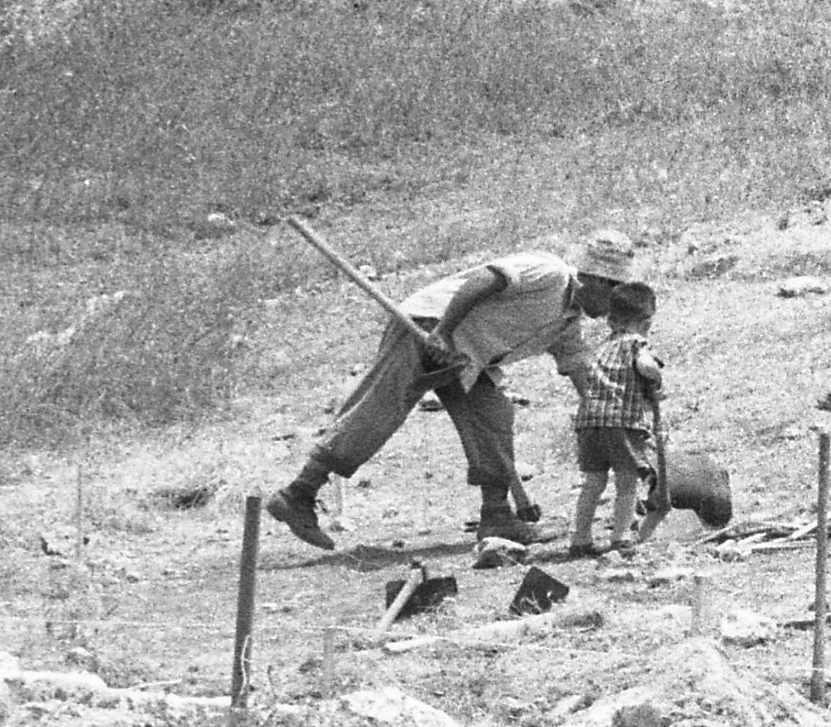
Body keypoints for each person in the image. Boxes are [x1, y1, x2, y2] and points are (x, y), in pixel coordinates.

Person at [267, 233, 652, 552]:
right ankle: (298, 494)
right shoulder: (550, 273)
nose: (617, 303)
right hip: (429, 324)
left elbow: (582, 374)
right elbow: (485, 280)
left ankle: (497, 516)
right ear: (597, 280)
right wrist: (443, 332)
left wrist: (616, 422)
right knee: (377, 412)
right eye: (616, 290)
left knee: (494, 416)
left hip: (467, 358)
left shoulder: (567, 324)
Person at [558, 284, 666, 562]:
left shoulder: (602, 347)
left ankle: (580, 539)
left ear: (611, 320)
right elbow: (645, 366)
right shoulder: (636, 343)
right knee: (627, 481)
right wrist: (656, 379)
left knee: (593, 482)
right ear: (647, 322)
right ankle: (620, 538)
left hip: (589, 422)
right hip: (620, 422)